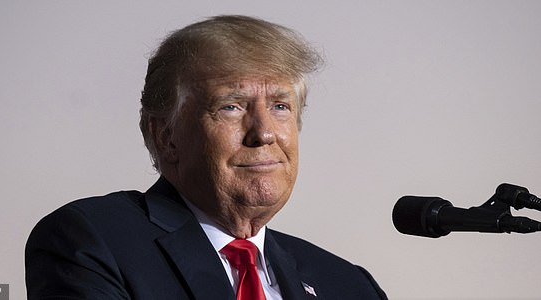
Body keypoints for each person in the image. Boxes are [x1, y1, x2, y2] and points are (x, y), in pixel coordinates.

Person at [25, 15, 388, 299]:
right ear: (165, 135)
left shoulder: (349, 284)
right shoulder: (93, 242)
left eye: (280, 106)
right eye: (231, 107)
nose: (263, 132)